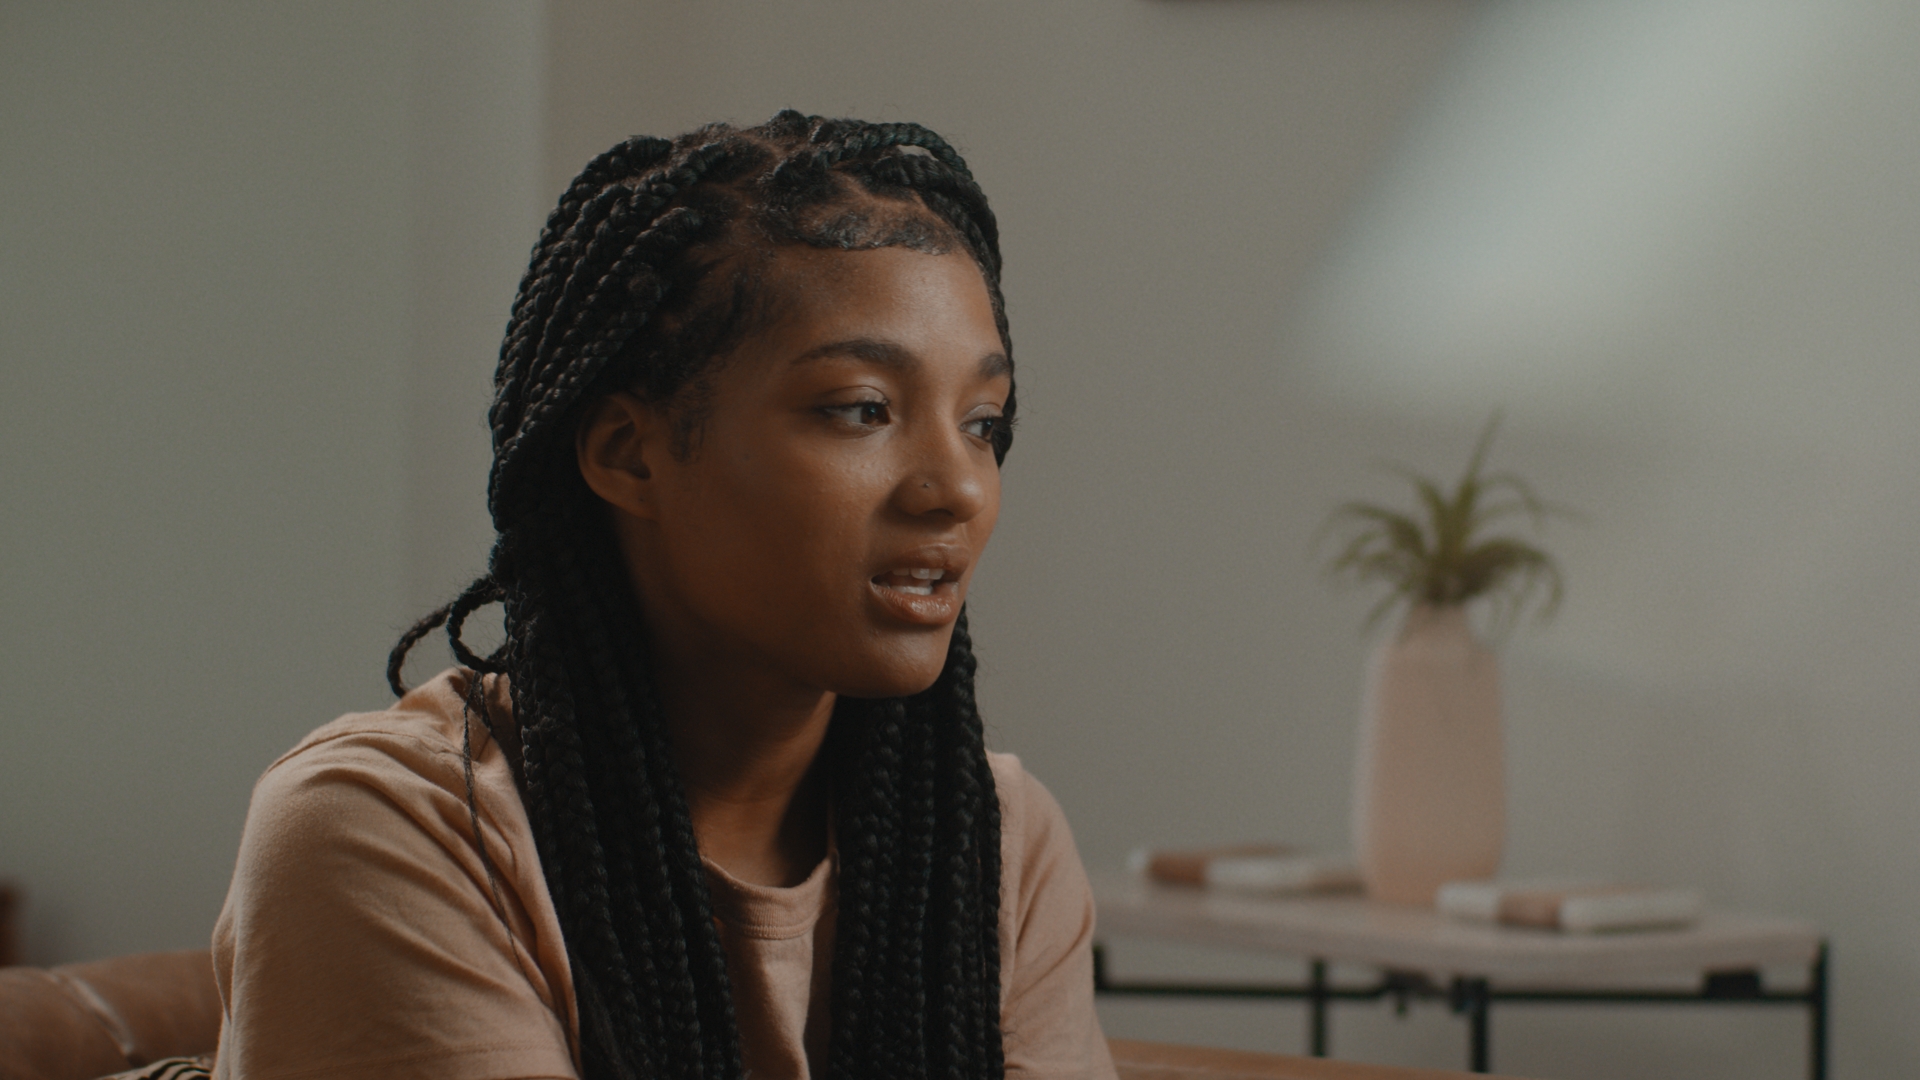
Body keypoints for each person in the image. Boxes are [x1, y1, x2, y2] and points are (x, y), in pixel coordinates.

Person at [209, 112, 1116, 1080]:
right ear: (628, 453)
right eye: (862, 409)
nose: (959, 489)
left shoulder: (995, 844)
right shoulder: (384, 829)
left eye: (983, 423)